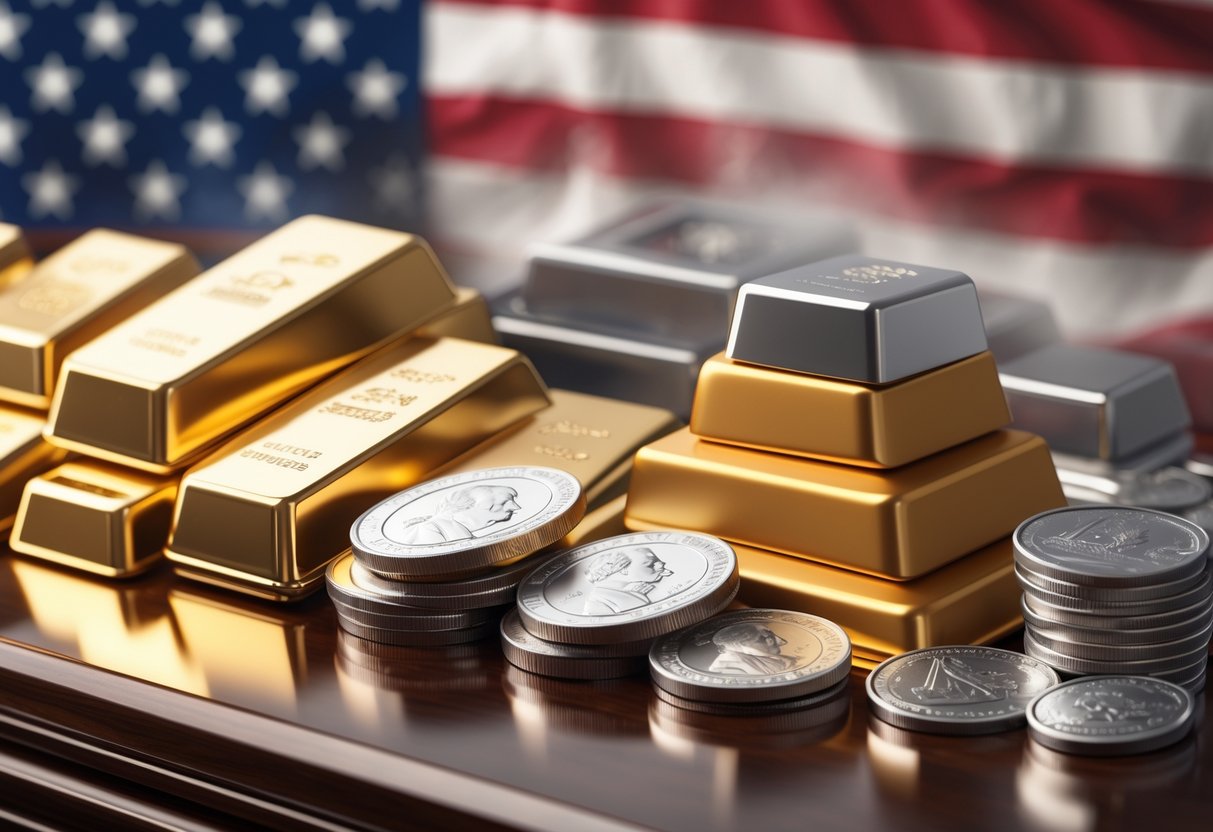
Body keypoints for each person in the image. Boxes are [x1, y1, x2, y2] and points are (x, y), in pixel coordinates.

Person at [395, 485, 521, 545]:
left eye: (493, 521)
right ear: (464, 506)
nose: (516, 508)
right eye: (492, 508)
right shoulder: (426, 529)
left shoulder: (456, 530)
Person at [583, 546, 673, 615]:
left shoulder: (634, 589)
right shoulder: (596, 604)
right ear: (623, 569)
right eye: (649, 564)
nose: (661, 564)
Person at [708, 622, 797, 676]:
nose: (782, 641)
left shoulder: (781, 660)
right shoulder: (724, 667)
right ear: (742, 643)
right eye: (769, 638)